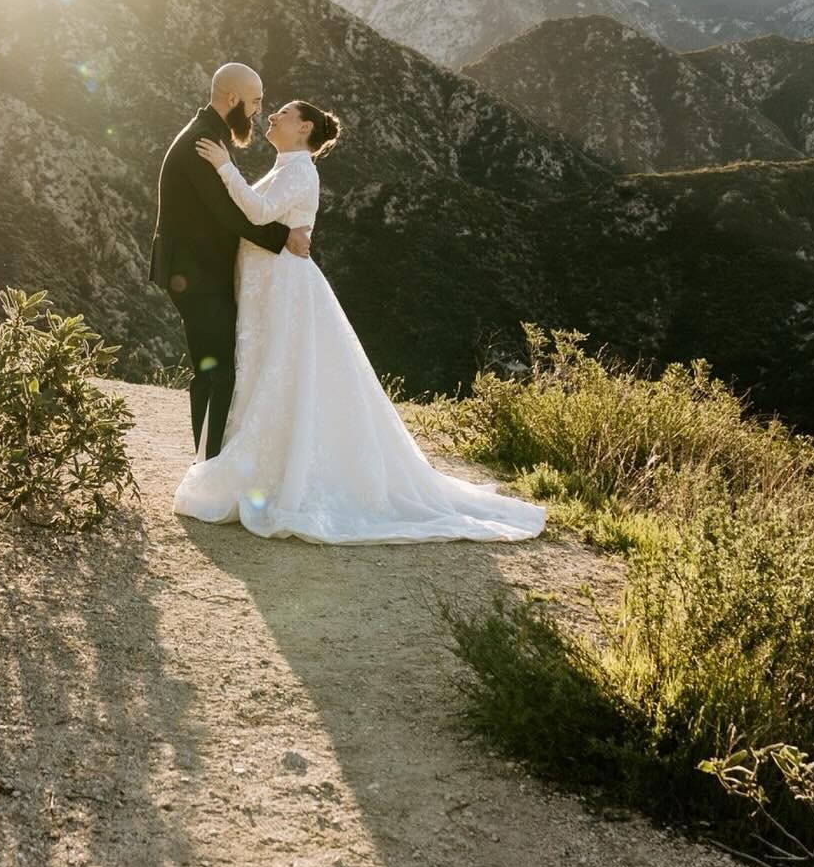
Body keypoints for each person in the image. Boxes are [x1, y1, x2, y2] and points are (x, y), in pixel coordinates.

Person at [171, 97, 547, 544]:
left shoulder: (301, 171)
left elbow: (256, 212)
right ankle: (252, 466)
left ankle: (271, 474)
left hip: (284, 289)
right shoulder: (285, 165)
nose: (271, 116)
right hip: (266, 286)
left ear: (303, 128)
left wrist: (223, 168)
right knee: (265, 371)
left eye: (284, 114)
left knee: (278, 371)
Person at [149, 63, 314, 460]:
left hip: (201, 273)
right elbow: (229, 214)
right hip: (195, 277)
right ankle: (209, 465)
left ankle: (210, 460)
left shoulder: (213, 135)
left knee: (217, 370)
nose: (260, 111)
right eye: (255, 102)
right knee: (217, 372)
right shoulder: (202, 142)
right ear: (232, 99)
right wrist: (284, 236)